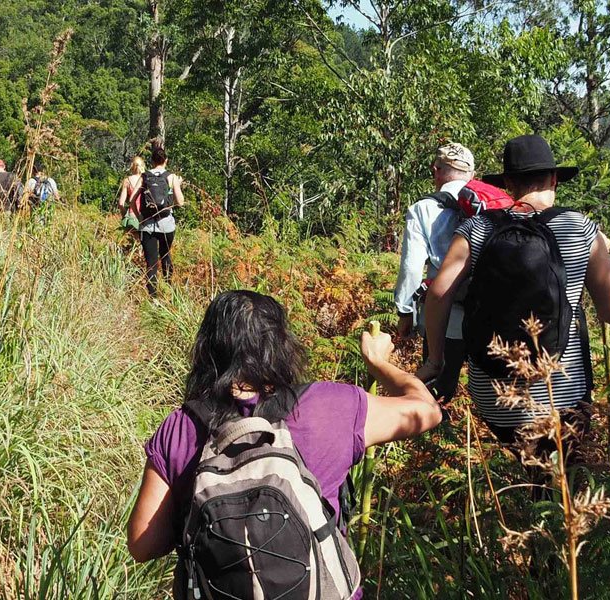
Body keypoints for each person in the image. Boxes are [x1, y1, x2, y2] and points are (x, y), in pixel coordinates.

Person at [128, 290, 442, 598]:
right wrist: (377, 363)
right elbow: (426, 411)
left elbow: (143, 545)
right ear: (282, 347)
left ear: (207, 351)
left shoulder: (181, 427)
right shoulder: (330, 406)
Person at [421, 134, 610, 462]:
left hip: (493, 396)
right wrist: (599, 246)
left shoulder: (477, 228)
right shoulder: (579, 227)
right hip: (560, 398)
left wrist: (435, 361)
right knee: (562, 482)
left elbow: (437, 292)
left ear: (507, 183)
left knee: (527, 468)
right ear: (554, 178)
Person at [393, 143, 475, 405]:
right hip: (489, 311)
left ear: (436, 171)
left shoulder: (423, 209)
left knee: (437, 390)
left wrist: (405, 311)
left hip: (445, 316)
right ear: (472, 174)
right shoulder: (488, 204)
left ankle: (430, 436)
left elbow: (411, 266)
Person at [139, 145, 184, 297]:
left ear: (151, 161)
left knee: (151, 263)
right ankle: (168, 288)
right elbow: (180, 202)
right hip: (166, 225)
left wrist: (140, 216)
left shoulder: (144, 176)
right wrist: (178, 184)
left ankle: (153, 298)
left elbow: (132, 201)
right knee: (165, 255)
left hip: (147, 225)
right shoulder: (171, 177)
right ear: (166, 160)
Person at [116, 156, 145, 245]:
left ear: (132, 166)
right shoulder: (146, 179)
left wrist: (125, 215)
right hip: (145, 215)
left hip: (132, 215)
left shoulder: (127, 181)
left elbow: (121, 203)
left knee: (134, 245)